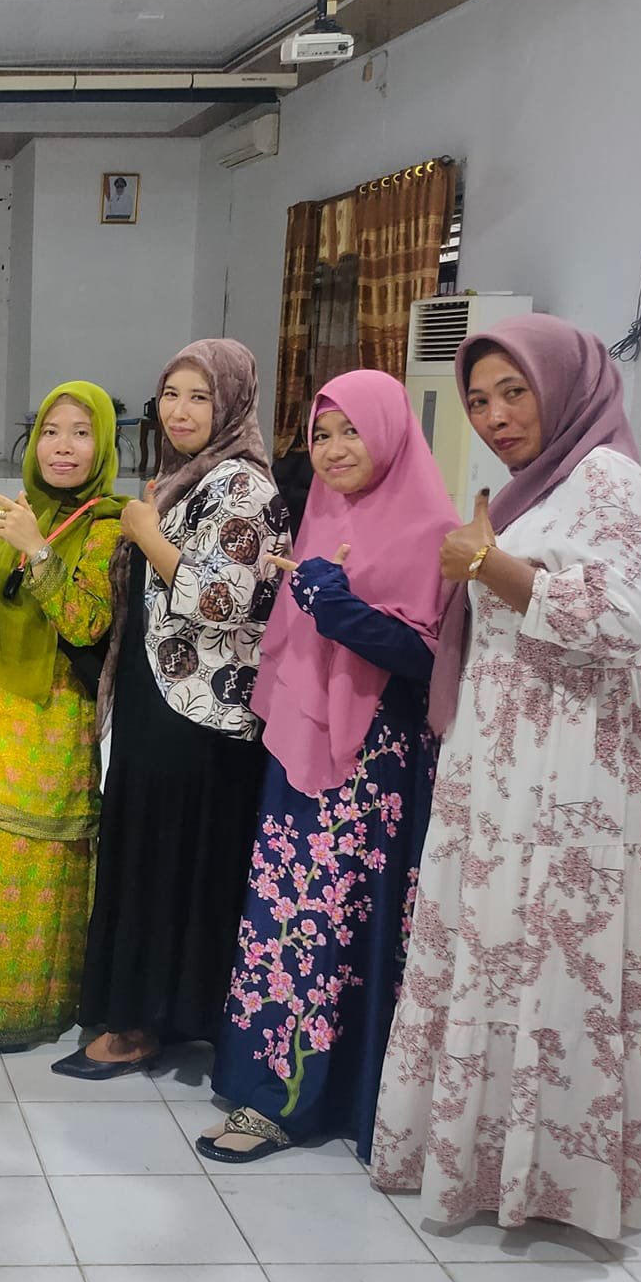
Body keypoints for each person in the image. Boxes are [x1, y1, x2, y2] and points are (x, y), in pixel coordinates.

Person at [371, 314, 641, 1237]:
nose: (496, 416)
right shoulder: (538, 484)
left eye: (514, 392)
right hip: (499, 755)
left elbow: (620, 623)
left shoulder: (609, 478)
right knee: (489, 945)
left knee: (547, 955)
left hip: (565, 764)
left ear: (565, 388)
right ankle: (480, 1157)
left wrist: (490, 566)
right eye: (479, 400)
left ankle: (550, 1176)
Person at [199, 370, 458, 1161]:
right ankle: (270, 1093)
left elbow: (432, 659)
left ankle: (346, 1095)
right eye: (322, 433)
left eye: (352, 432)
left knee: (345, 922)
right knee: (288, 918)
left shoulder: (435, 530)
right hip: (302, 752)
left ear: (391, 433)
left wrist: (338, 606)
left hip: (375, 766)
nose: (335, 449)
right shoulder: (322, 512)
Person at [55, 339, 289, 1081]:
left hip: (201, 716)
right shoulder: (190, 478)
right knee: (149, 856)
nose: (180, 411)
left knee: (168, 863)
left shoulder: (243, 487)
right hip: (164, 699)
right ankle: (154, 1014)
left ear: (233, 403)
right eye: (171, 395)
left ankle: (145, 1024)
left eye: (200, 397)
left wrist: (147, 535)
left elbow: (224, 599)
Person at [0, 382, 124, 1056]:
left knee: (30, 870)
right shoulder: (15, 513)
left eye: (81, 433)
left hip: (51, 724)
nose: (62, 447)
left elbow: (88, 621)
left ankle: (14, 1016)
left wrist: (39, 551)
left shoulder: (108, 527)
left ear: (103, 446)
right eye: (51, 432)